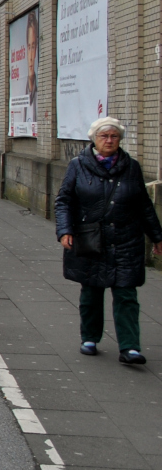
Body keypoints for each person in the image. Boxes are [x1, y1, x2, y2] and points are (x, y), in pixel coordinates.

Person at [55, 117, 162, 364]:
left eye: (114, 136)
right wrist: (65, 230)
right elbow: (64, 201)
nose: (109, 140)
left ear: (120, 140)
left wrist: (157, 236)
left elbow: (144, 205)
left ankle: (130, 346)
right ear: (94, 139)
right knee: (91, 290)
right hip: (91, 238)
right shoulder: (78, 165)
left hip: (126, 240)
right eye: (104, 136)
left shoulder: (131, 167)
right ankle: (90, 338)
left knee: (126, 293)